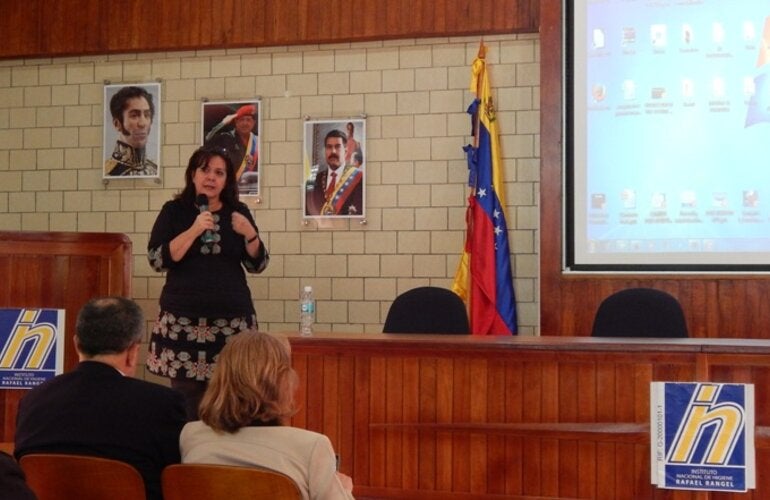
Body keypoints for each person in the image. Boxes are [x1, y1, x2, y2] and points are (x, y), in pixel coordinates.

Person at [14, 296, 187, 500]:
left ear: (76, 343)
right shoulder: (164, 405)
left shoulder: (32, 400)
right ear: (133, 352)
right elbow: (176, 485)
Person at [146, 145, 269, 420]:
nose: (211, 177)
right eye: (205, 170)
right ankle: (189, 460)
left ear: (227, 181)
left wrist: (250, 234)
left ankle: (223, 460)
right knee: (187, 403)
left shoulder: (239, 212)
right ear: (192, 174)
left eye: (219, 172)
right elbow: (157, 260)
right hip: (183, 323)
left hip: (231, 323)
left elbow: (257, 264)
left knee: (233, 399)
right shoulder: (174, 211)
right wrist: (194, 229)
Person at [180, 331, 355, 500]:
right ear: (283, 382)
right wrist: (344, 490)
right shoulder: (312, 447)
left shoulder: (191, 436)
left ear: (220, 378)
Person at [305, 129, 363, 216]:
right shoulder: (311, 180)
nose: (333, 151)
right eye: (329, 147)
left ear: (346, 152)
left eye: (338, 147)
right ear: (325, 151)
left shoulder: (360, 178)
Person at [104, 85, 158, 176]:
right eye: (134, 115)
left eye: (147, 115)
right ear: (117, 124)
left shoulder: (155, 169)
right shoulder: (108, 172)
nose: (142, 123)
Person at [204, 103, 259, 192]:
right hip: (228, 188)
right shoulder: (226, 137)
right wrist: (222, 123)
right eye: (241, 120)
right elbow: (208, 140)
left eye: (248, 120)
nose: (245, 123)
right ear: (236, 122)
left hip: (250, 188)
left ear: (253, 123)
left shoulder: (257, 141)